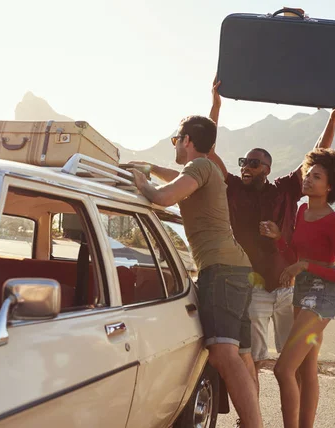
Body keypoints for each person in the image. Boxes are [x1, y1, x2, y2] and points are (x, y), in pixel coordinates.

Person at [207, 77, 335, 386]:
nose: (247, 166)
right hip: (253, 288)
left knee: (292, 363)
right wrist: (216, 105)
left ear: (267, 169)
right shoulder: (231, 187)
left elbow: (318, 152)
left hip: (288, 289)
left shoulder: (285, 190)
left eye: (255, 163)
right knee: (252, 361)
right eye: (244, 161)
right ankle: (251, 419)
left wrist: (333, 117)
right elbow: (207, 151)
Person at [129, 115, 263, 428]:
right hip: (236, 270)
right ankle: (252, 422)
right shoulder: (205, 169)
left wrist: (142, 182)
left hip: (221, 270)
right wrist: (148, 167)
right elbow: (177, 177)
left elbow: (164, 197)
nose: (174, 142)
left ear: (187, 140)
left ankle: (253, 424)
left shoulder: (200, 167)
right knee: (241, 356)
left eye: (176, 138)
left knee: (222, 354)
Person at [260, 148, 335, 428]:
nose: (308, 179)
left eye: (317, 176)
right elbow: (293, 258)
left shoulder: (333, 222)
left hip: (322, 297)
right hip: (301, 293)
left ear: (330, 186)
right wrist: (279, 238)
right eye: (308, 173)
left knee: (283, 369)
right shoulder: (302, 210)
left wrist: (305, 267)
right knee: (306, 369)